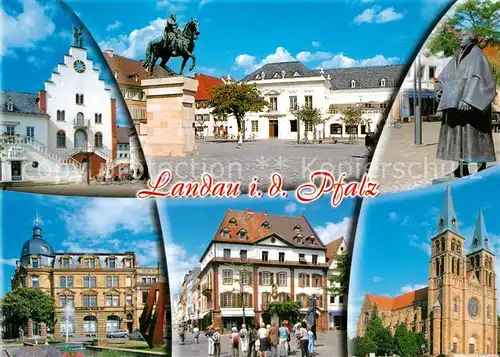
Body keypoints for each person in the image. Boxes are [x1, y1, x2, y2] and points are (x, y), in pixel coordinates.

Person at [435, 28, 496, 178]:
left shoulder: (478, 56)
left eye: (464, 35)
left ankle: (482, 168)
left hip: (472, 107)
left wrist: (469, 99)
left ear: (472, 38)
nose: (460, 38)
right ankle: (462, 168)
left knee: (476, 136)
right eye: (460, 35)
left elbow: (482, 79)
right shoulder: (456, 58)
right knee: (460, 137)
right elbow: (443, 78)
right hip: (456, 107)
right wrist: (439, 90)